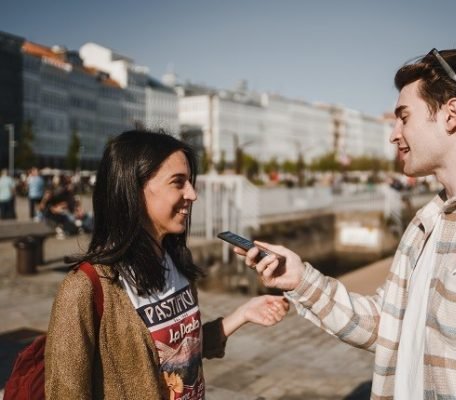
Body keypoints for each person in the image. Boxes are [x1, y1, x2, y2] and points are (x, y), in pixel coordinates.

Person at [236, 49, 456, 399]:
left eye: (404, 117)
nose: (394, 133)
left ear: (451, 115)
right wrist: (300, 280)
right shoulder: (429, 221)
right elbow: (388, 326)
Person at [45, 130, 289, 399]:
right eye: (178, 182)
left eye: (190, 182)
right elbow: (65, 392)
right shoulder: (84, 289)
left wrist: (242, 314)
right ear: (134, 189)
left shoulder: (175, 262)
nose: (193, 194)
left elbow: (181, 351)